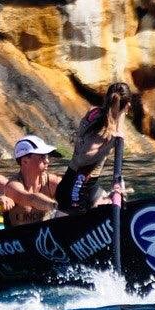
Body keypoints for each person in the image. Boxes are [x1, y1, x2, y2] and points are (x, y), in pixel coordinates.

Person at [56, 82, 132, 213]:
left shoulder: (94, 112)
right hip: (76, 192)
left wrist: (121, 113)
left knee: (118, 203)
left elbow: (112, 114)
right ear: (127, 106)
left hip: (83, 185)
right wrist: (111, 143)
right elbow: (83, 158)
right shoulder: (106, 130)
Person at [10, 135, 63, 225]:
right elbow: (31, 198)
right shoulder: (13, 186)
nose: (47, 161)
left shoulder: (52, 182)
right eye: (42, 157)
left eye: (47, 157)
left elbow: (70, 190)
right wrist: (55, 206)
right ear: (25, 161)